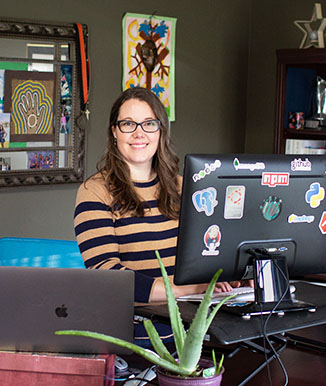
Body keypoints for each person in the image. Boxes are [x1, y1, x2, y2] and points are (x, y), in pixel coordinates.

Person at [74, 88, 240, 341]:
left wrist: (233, 277)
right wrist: (189, 289)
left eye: (149, 123)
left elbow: (210, 249)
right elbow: (106, 274)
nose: (139, 133)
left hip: (195, 318)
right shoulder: (95, 192)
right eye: (128, 124)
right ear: (114, 131)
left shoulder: (187, 188)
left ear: (160, 131)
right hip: (136, 325)